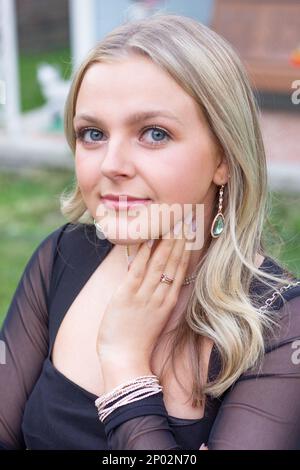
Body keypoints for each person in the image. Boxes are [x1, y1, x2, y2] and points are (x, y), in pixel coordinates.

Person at [1, 14, 300, 451]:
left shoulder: (279, 324)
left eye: (154, 133)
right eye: (93, 134)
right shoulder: (62, 256)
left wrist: (125, 365)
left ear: (224, 157)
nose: (111, 164)